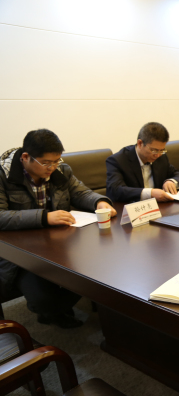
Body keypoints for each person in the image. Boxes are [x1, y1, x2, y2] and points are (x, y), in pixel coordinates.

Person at [0, 129, 117, 328]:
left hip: (59, 245)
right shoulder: (4, 175)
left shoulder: (61, 169)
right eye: (46, 163)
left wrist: (99, 202)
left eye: (56, 161)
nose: (52, 167)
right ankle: (53, 311)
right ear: (26, 157)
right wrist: (44, 217)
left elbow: (80, 193)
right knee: (46, 301)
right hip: (20, 255)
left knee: (100, 271)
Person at [106, 122, 179, 203]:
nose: (158, 155)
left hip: (159, 206)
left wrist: (171, 181)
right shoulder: (118, 160)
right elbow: (116, 190)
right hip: (129, 207)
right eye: (154, 150)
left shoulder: (161, 157)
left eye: (162, 150)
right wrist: (150, 193)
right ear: (140, 143)